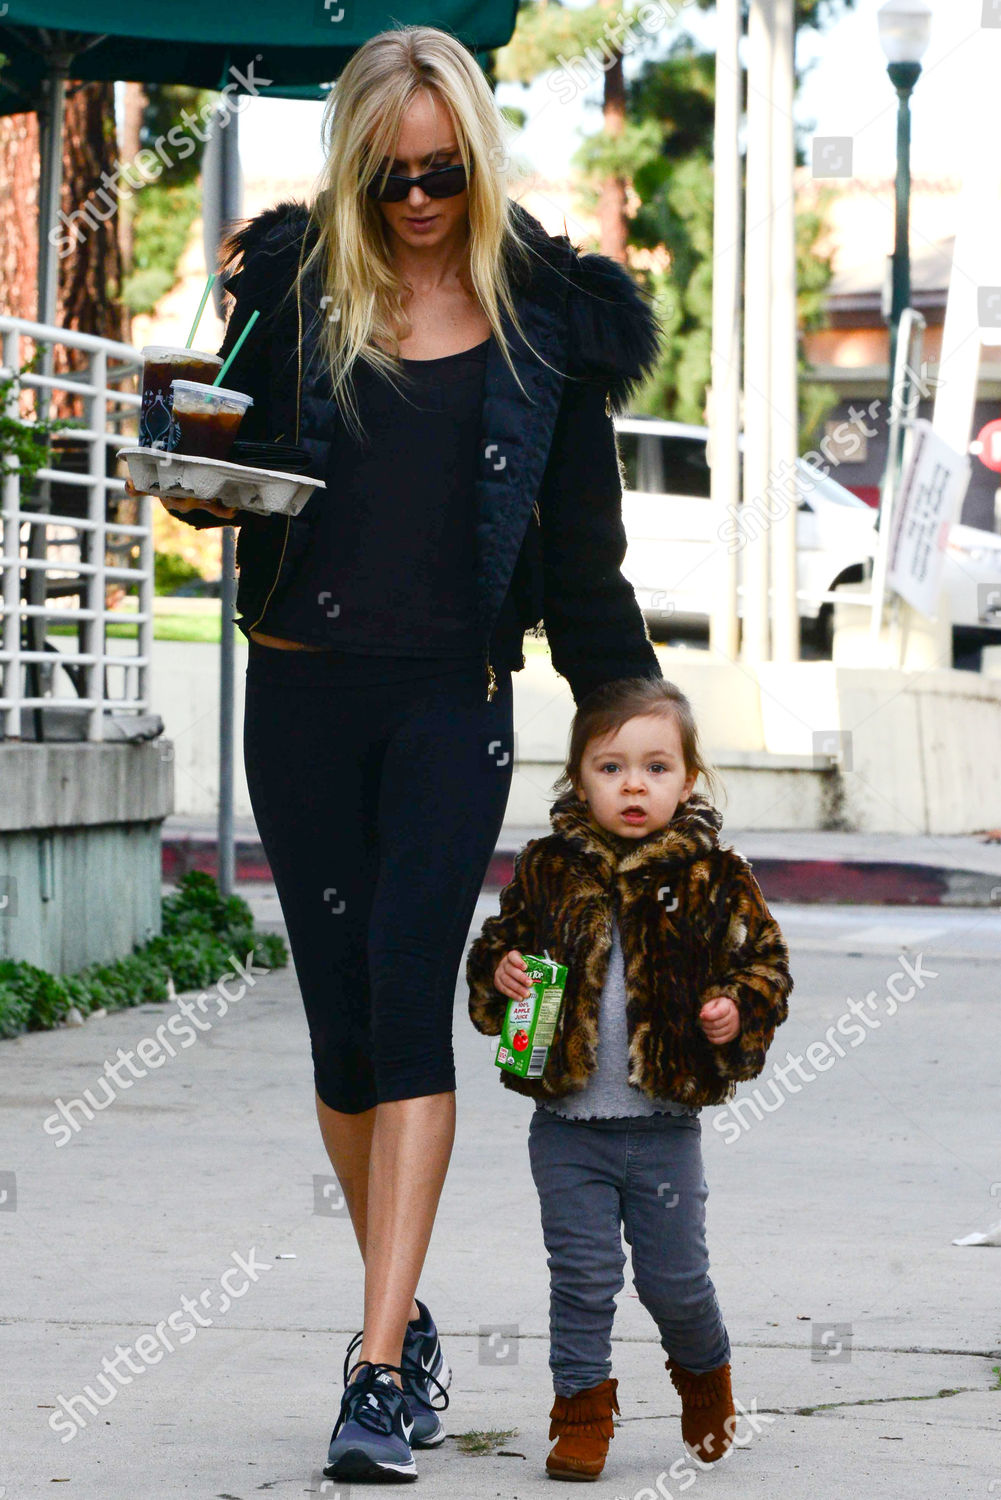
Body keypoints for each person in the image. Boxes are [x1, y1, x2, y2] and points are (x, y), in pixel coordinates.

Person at [129, 23, 667, 1486]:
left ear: (477, 164)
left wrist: (637, 726)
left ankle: (372, 1371)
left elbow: (582, 562)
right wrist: (194, 473)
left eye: (441, 176)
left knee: (411, 1009)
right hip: (301, 697)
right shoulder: (294, 287)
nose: (418, 202)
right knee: (341, 1038)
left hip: (449, 701)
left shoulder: (549, 321)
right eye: (390, 180)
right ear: (356, 168)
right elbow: (228, 454)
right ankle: (405, 1317)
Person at [466, 675, 794, 1481]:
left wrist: (732, 1008)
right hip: (566, 1126)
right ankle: (580, 1413)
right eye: (610, 767)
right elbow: (494, 949)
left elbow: (766, 966)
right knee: (581, 1278)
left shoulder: (714, 877)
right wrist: (500, 971)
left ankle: (705, 1379)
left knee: (674, 1283)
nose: (633, 784)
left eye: (655, 766)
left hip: (662, 1130)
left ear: (688, 780)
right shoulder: (547, 869)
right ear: (578, 778)